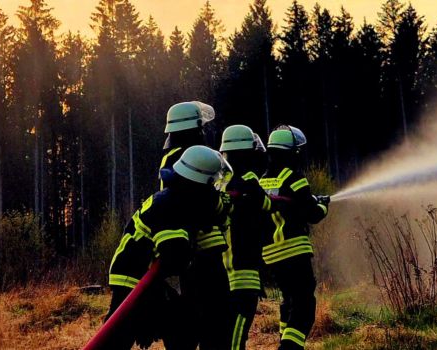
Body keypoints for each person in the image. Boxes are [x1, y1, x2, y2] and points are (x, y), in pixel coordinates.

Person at [106, 146, 230, 349]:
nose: (213, 189)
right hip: (133, 279)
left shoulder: (177, 198)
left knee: (182, 325)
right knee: (118, 337)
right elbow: (174, 256)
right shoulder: (171, 206)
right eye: (211, 183)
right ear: (200, 183)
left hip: (143, 277)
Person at [259, 126, 330, 350]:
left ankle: (284, 339)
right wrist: (323, 205)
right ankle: (289, 348)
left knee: (289, 300)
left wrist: (310, 200)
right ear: (293, 152)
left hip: (271, 254)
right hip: (294, 249)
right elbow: (312, 214)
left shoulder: (263, 181)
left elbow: (294, 204)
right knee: (304, 305)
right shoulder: (294, 177)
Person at [219, 125, 272, 349]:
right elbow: (267, 206)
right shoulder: (248, 179)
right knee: (240, 323)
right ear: (246, 152)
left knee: (232, 323)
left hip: (227, 266)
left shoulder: (221, 182)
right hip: (242, 267)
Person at [159, 101, 215, 190]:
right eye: (200, 129)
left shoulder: (171, 155)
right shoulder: (181, 156)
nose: (203, 133)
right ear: (192, 131)